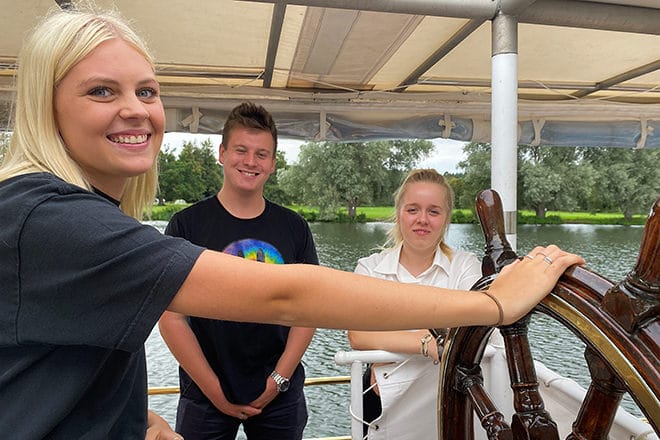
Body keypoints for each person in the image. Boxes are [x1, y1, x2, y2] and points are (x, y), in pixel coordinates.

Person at [0, 6, 584, 440]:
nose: (135, 108)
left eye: (146, 90)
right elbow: (287, 293)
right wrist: (493, 305)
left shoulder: (72, 218)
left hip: (269, 400)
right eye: (101, 90)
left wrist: (138, 418)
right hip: (208, 401)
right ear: (44, 106)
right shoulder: (47, 219)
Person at [158, 102, 318, 440]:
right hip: (204, 394)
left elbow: (308, 310)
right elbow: (171, 318)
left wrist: (279, 379)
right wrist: (214, 390)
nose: (250, 161)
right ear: (221, 153)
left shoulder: (294, 227)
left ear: (273, 164)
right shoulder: (186, 225)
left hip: (281, 393)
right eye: (241, 150)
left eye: (262, 154)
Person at [348, 169, 482, 439]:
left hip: (447, 395)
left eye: (434, 211)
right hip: (382, 393)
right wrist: (427, 342)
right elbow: (358, 336)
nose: (422, 220)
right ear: (399, 213)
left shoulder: (466, 266)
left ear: (446, 219)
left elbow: (474, 328)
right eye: (413, 209)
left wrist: (388, 335)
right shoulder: (370, 268)